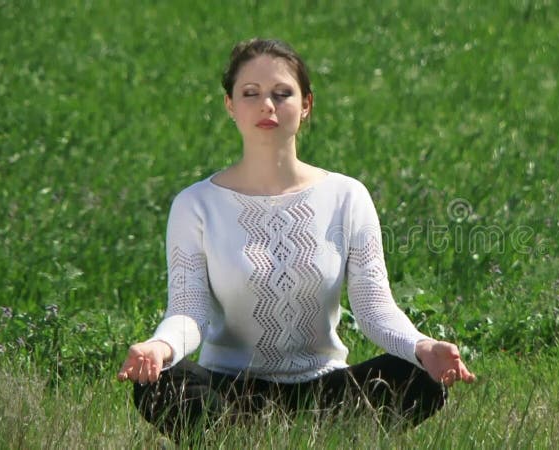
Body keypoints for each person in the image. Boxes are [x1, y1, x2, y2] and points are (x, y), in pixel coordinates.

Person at [116, 37, 475, 441]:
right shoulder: (195, 204)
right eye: (250, 93)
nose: (267, 105)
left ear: (305, 105)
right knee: (162, 382)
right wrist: (158, 348)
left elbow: (374, 308)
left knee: (420, 376)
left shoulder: (346, 196)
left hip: (326, 391)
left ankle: (296, 436)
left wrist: (422, 346)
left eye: (282, 93)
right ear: (230, 106)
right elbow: (189, 311)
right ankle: (242, 437)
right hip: (228, 389)